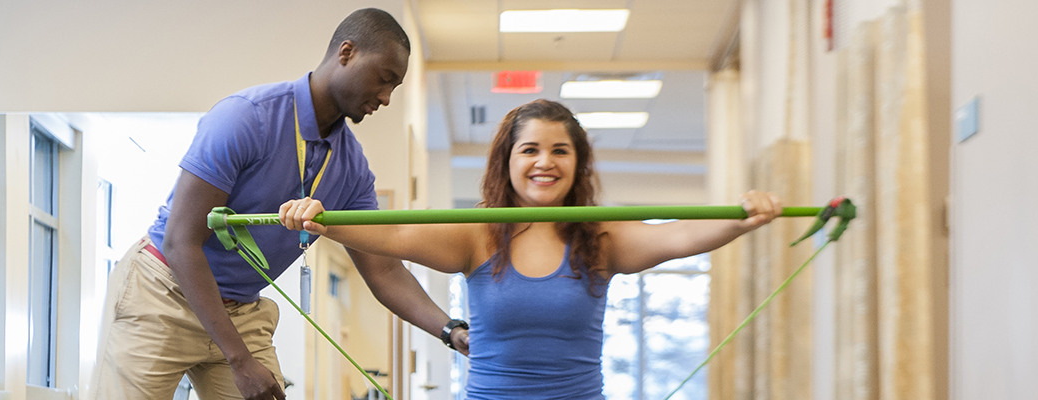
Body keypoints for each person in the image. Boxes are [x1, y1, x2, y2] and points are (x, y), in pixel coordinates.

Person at [278, 99, 784, 399]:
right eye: (531, 149)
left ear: (578, 163)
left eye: (560, 150)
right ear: (508, 161)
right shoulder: (478, 233)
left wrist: (742, 218)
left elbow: (679, 237)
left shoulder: (601, 238)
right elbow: (394, 236)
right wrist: (324, 222)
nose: (546, 162)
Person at [88, 8, 467, 400]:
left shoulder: (351, 168)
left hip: (240, 308)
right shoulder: (246, 118)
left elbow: (384, 268)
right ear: (347, 52)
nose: (386, 98)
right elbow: (180, 242)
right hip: (163, 291)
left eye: (395, 87)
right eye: (384, 79)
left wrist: (449, 329)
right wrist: (239, 359)